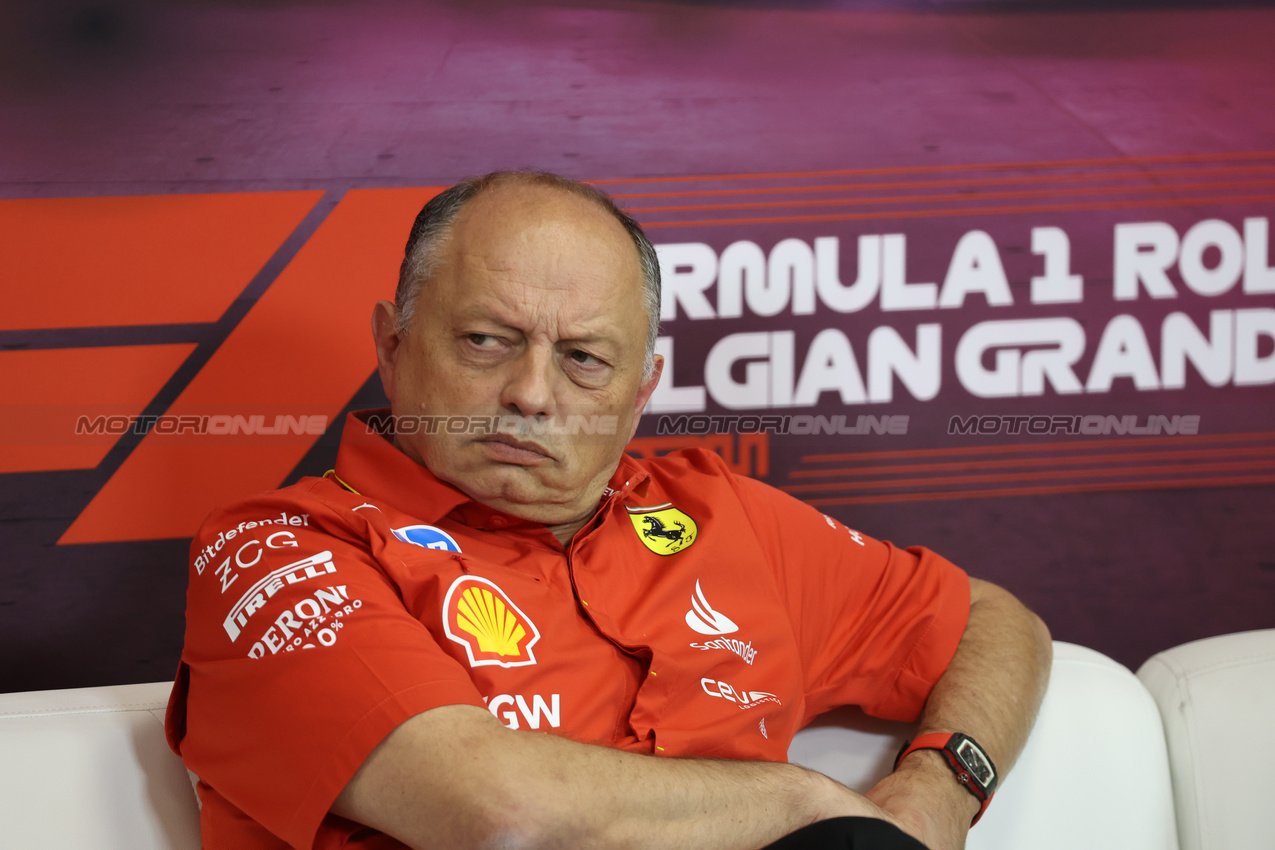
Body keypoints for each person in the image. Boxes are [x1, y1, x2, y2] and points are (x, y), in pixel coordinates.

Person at [165, 170, 1052, 850]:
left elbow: (990, 619)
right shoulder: (279, 547)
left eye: (584, 358)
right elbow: (495, 810)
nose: (530, 394)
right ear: (393, 347)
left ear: (640, 392)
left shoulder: (721, 517)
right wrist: (806, 806)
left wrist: (937, 792)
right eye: (485, 340)